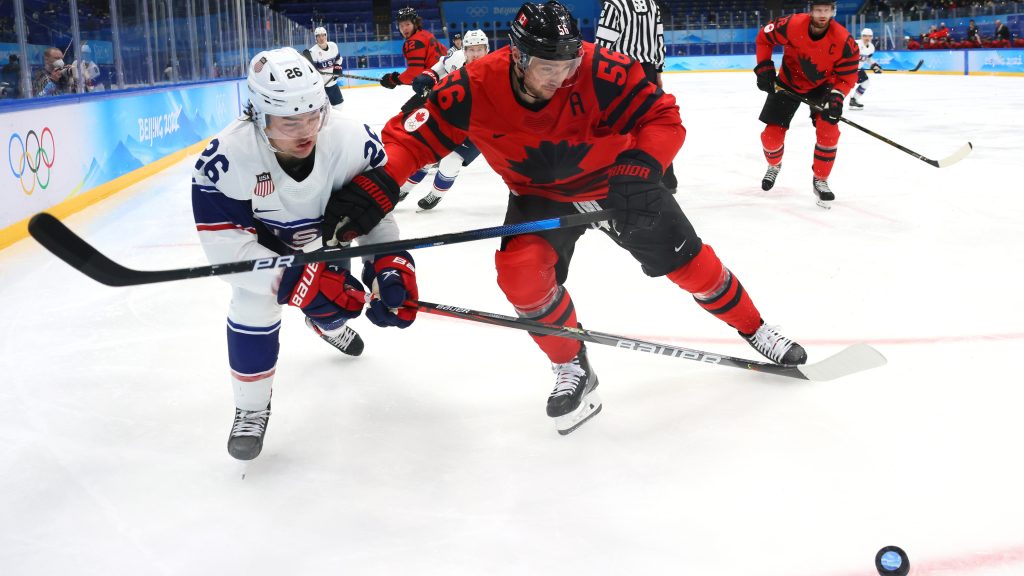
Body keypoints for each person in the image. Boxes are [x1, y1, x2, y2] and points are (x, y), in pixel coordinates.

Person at [325, 0, 807, 435]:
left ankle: (755, 328)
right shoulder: (474, 85)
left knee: (691, 265)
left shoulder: (600, 70)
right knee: (520, 277)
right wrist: (379, 186)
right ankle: (572, 364)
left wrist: (641, 167)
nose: (561, 75)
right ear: (517, 57)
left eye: (569, 63)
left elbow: (663, 116)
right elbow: (410, 139)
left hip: (618, 186)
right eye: (547, 67)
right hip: (539, 196)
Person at [191, 47, 419, 461]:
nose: (306, 130)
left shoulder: (351, 140)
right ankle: (251, 408)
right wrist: (295, 282)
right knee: (251, 305)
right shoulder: (225, 159)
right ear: (258, 114)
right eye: (290, 120)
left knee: (336, 307)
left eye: (313, 114)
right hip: (264, 251)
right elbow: (226, 247)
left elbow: (374, 214)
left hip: (326, 242)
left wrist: (389, 263)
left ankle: (326, 326)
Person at [753, 0, 859, 208]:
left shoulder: (843, 40)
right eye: (818, 9)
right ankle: (774, 165)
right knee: (771, 137)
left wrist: (837, 96)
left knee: (829, 130)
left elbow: (848, 74)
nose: (822, 14)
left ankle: (821, 179)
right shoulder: (792, 25)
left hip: (822, 87)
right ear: (811, 11)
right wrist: (764, 66)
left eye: (827, 10)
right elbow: (764, 38)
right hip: (788, 83)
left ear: (832, 12)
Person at [397, 29, 490, 211]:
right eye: (471, 49)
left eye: (479, 49)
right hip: (449, 118)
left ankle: (436, 194)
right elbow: (440, 66)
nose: (475, 54)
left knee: (451, 161)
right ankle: (403, 189)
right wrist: (428, 77)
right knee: (426, 155)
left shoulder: (496, 70)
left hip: (477, 127)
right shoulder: (455, 59)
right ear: (464, 51)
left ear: (487, 50)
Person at [595, 0, 677, 193]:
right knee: (653, 123)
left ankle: (621, 177)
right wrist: (657, 73)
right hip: (647, 71)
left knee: (620, 125)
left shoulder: (614, 5)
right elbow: (658, 41)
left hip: (622, 71)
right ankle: (667, 179)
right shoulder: (651, 5)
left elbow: (603, 45)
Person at [379, 7, 446, 90]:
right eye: (401, 25)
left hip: (436, 86)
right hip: (446, 81)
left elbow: (414, 73)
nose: (404, 28)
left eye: (407, 24)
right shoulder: (427, 34)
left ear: (415, 24)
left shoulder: (413, 42)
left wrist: (393, 79)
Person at [306, 26, 344, 107]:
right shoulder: (313, 52)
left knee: (339, 106)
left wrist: (337, 67)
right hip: (321, 87)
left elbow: (338, 59)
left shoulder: (333, 46)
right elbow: (313, 71)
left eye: (323, 35)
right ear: (316, 38)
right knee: (321, 110)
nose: (321, 38)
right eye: (318, 36)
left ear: (326, 36)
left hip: (333, 83)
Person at [848, 28, 880, 110]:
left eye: (869, 36)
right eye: (865, 36)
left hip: (857, 69)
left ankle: (854, 100)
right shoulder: (855, 43)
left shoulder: (871, 47)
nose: (867, 38)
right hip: (847, 68)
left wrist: (874, 65)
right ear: (861, 36)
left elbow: (868, 58)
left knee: (865, 82)